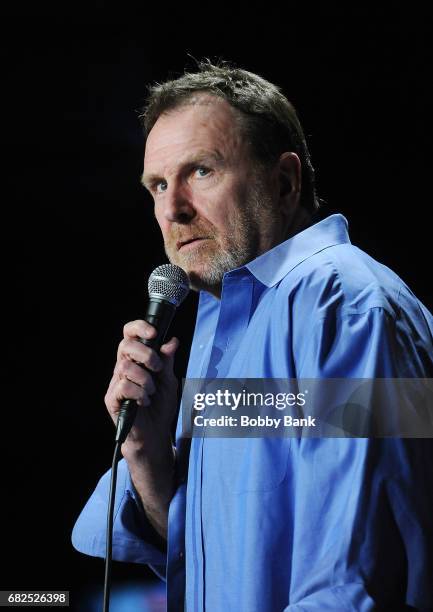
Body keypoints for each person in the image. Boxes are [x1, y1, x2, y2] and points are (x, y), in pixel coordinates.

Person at [72, 61, 433, 611]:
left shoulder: (350, 309)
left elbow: (353, 587)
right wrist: (147, 457)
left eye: (202, 171)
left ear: (284, 181)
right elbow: (222, 564)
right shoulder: (228, 322)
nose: (172, 209)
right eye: (159, 184)